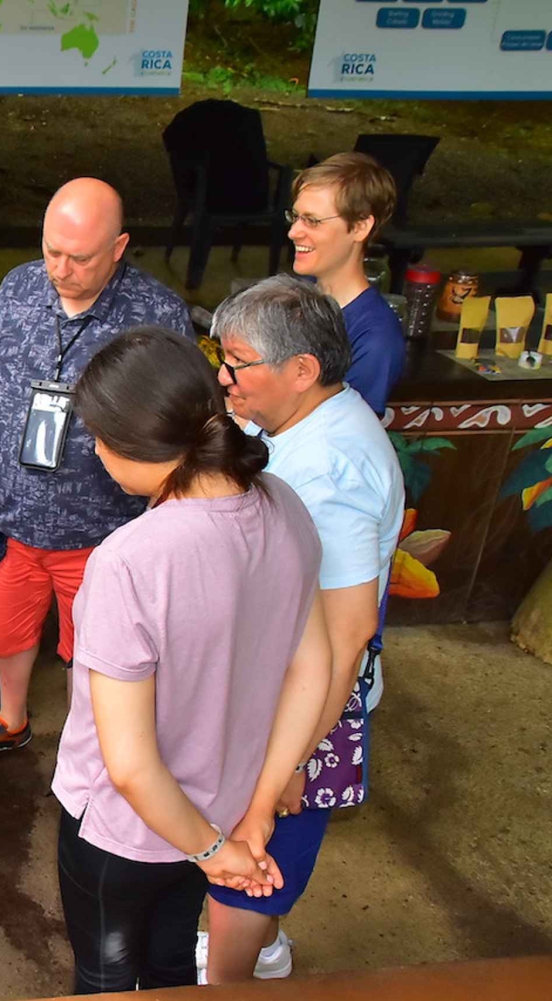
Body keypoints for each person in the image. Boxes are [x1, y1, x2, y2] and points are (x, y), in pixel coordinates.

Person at [51, 326, 332, 994]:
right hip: (223, 806)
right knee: (172, 961)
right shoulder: (283, 503)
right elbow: (312, 667)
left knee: (105, 974)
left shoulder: (130, 560)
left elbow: (130, 766)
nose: (96, 450)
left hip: (124, 832)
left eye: (99, 436)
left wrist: (212, 850)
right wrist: (253, 812)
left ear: (140, 443)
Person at [0, 178, 195, 768]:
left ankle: (86, 753)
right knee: (6, 632)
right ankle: (11, 720)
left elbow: (180, 427)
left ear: (119, 247)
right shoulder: (19, 286)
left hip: (101, 530)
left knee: (95, 652)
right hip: (11, 513)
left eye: (80, 258)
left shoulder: (156, 315)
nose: (61, 270)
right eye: (52, 251)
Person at [201, 276, 405, 983]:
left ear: (302, 369)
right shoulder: (293, 420)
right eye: (221, 358)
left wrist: (294, 760)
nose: (223, 378)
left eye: (238, 362)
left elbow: (348, 633)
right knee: (264, 856)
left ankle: (223, 983)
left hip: (306, 707)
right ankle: (266, 952)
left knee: (246, 867)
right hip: (281, 684)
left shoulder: (331, 471)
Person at [286, 151, 404, 415]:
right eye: (295, 217)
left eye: (312, 221)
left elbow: (348, 430)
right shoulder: (294, 294)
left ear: (360, 227)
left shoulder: (375, 338)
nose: (293, 232)